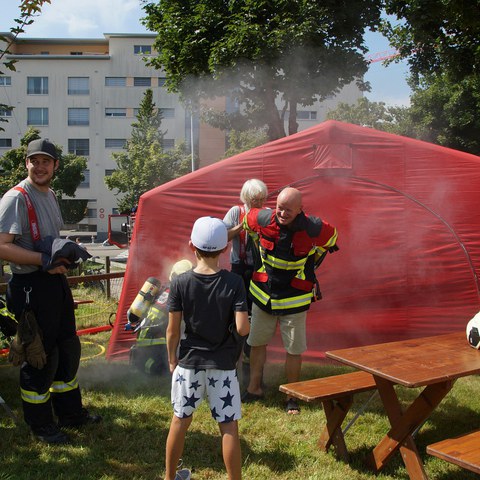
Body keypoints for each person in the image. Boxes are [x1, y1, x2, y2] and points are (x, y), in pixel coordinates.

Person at [0, 138, 101, 444]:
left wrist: (66, 251)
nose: (40, 166)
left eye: (46, 161)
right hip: (30, 287)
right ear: (26, 163)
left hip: (53, 283)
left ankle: (70, 414)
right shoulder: (16, 198)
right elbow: (3, 247)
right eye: (35, 161)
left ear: (56, 166)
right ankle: (41, 424)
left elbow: (48, 238)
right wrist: (44, 261)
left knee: (67, 349)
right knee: (40, 355)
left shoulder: (50, 194)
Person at [165, 216, 250, 480]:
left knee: (180, 420)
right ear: (225, 249)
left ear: (192, 246)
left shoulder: (179, 283)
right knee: (228, 427)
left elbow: (172, 331)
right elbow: (242, 329)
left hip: (189, 362)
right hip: (222, 365)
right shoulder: (235, 283)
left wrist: (171, 360)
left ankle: (169, 477)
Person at [241, 187, 338, 415]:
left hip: (294, 299)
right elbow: (247, 220)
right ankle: (254, 388)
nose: (283, 214)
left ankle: (291, 396)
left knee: (294, 349)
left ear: (300, 209)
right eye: (280, 208)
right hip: (263, 295)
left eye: (288, 210)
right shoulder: (262, 217)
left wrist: (316, 254)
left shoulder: (314, 227)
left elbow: (333, 238)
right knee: (256, 343)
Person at [223, 179, 268, 384]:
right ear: (246, 197)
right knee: (236, 322)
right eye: (255, 199)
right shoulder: (235, 212)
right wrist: (244, 225)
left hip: (260, 271)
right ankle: (230, 375)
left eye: (262, 198)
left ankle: (253, 378)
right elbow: (222, 236)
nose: (259, 202)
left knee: (255, 323)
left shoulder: (267, 213)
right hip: (238, 270)